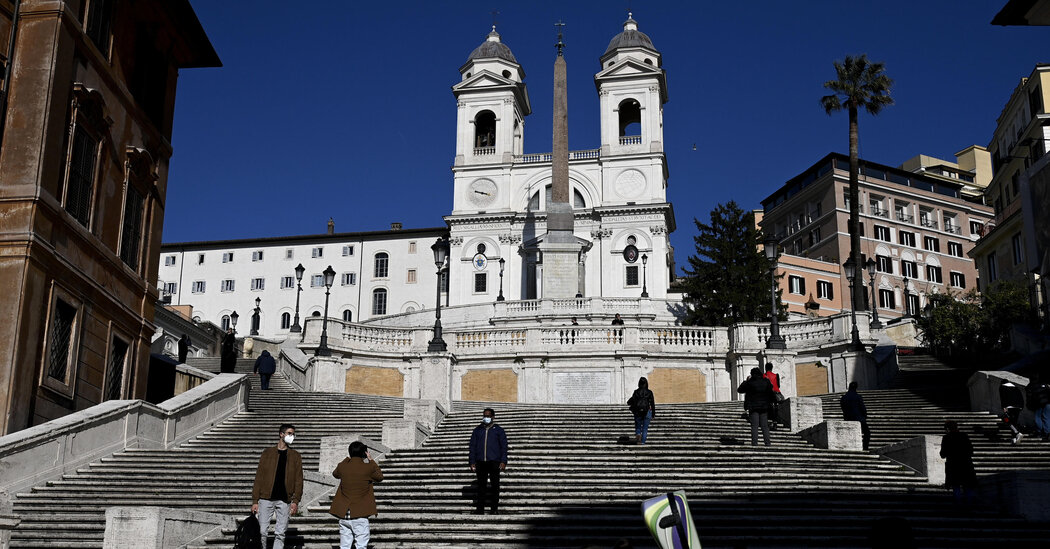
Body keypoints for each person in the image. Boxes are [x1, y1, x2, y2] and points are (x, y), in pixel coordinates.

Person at [252, 424, 304, 549]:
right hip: (265, 498)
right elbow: (259, 476)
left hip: (284, 499)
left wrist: (295, 501)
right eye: (290, 433)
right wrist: (255, 500)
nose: (292, 436)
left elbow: (299, 479)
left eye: (293, 434)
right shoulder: (267, 453)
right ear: (281, 434)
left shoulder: (295, 456)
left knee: (280, 533)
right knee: (262, 532)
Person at [330, 441, 383, 549]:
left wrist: (347, 459)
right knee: (361, 545)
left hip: (344, 513)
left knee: (345, 545)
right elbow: (380, 477)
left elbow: (335, 474)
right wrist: (371, 460)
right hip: (360, 513)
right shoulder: (368, 468)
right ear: (364, 453)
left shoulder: (343, 467)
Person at [469, 408, 507, 515]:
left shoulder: (499, 430)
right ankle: (480, 509)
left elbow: (504, 447)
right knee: (481, 487)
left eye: (488, 416)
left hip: (494, 462)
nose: (486, 418)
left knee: (495, 486)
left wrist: (503, 461)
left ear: (493, 417)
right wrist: (472, 461)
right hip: (481, 462)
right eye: (485, 416)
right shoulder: (477, 430)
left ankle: (494, 509)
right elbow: (472, 446)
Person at [939, 420, 976, 504]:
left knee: (956, 485)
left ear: (947, 429)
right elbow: (971, 451)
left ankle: (959, 504)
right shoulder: (964, 436)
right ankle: (969, 504)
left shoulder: (946, 438)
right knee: (967, 484)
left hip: (953, 466)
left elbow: (943, 454)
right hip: (965, 464)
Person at [738, 367, 775, 446]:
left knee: (754, 426)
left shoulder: (750, 382)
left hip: (753, 407)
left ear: (752, 374)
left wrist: (746, 381)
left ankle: (755, 443)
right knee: (764, 426)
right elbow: (771, 393)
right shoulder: (766, 381)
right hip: (764, 406)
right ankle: (767, 443)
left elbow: (740, 390)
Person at [840, 382, 871, 450]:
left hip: (848, 418)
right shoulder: (858, 397)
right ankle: (865, 447)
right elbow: (862, 407)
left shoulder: (844, 398)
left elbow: (843, 408)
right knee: (867, 433)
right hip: (859, 418)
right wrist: (865, 415)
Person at [627, 377, 656, 444]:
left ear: (639, 383)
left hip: (637, 412)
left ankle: (638, 436)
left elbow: (630, 401)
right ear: (646, 383)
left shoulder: (636, 392)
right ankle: (642, 443)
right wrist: (653, 414)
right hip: (647, 411)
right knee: (645, 429)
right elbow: (652, 404)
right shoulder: (649, 392)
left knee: (638, 427)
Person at [999, 379, 1025, 444]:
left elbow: (1003, 397)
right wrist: (1021, 406)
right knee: (1014, 422)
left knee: (1005, 419)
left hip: (1009, 407)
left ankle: (1017, 433)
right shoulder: (1016, 388)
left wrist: (1004, 407)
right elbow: (1021, 398)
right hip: (1018, 407)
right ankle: (1014, 439)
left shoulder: (1002, 387)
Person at [1026, 372, 1050, 440]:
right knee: (1047, 418)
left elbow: (1029, 397)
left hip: (1038, 404)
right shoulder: (1044, 384)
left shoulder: (1030, 386)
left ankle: (1040, 432)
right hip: (1047, 403)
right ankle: (1047, 433)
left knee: (1038, 418)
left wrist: (1029, 405)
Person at [763, 363, 783, 428]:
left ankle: (770, 421)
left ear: (765, 368)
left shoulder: (763, 376)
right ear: (772, 368)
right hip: (776, 393)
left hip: (768, 394)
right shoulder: (776, 375)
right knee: (775, 407)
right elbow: (778, 385)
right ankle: (775, 421)